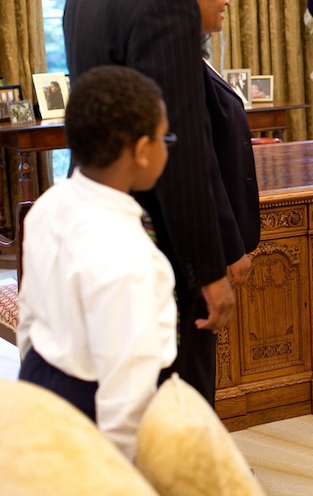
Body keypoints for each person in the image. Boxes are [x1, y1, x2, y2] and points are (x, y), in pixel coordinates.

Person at [63, 0, 235, 406]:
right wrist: (208, 269)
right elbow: (178, 145)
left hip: (97, 216)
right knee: (176, 402)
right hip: (156, 239)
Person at [17, 65, 177, 461]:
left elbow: (29, 317)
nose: (166, 147)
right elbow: (127, 391)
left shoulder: (48, 205)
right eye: (164, 137)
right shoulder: (131, 256)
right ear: (142, 151)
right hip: (93, 408)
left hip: (39, 377)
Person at [180, 0, 260, 286]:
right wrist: (229, 247)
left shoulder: (195, 54)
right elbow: (201, 165)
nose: (227, 0)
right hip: (207, 247)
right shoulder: (180, 64)